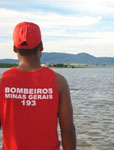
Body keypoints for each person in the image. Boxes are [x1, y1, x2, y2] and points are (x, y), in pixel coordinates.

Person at [0, 22, 76, 150]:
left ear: (14, 48)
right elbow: (67, 130)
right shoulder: (59, 82)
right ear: (41, 46)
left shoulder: (2, 81)